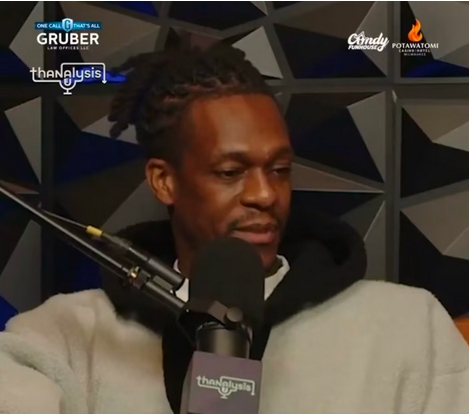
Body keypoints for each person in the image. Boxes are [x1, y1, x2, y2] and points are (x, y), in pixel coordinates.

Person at [0, 43, 468, 414]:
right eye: (230, 172)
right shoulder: (64, 336)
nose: (265, 194)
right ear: (163, 181)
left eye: (280, 170)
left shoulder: (409, 326)